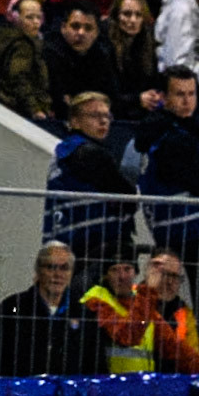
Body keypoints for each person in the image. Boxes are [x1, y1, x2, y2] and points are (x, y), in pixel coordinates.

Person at [134, 67, 199, 369]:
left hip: (178, 233)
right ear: (163, 97)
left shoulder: (170, 133)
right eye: (179, 94)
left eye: (191, 94)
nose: (186, 101)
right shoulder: (174, 139)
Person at [45, 92, 139, 277]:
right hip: (90, 246)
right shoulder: (86, 153)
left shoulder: (64, 151)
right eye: (95, 115)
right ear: (75, 121)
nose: (103, 121)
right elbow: (127, 195)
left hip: (69, 241)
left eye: (107, 116)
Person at [80, 248, 199, 374]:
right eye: (115, 270)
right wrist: (148, 290)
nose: (122, 276)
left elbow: (177, 350)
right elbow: (127, 335)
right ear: (105, 275)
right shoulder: (96, 299)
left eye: (127, 269)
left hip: (142, 388)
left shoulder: (144, 301)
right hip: (109, 388)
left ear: (135, 273)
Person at [0, 242, 101, 377]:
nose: (58, 274)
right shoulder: (13, 307)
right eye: (51, 267)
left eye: (64, 268)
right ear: (38, 271)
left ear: (71, 273)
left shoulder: (84, 315)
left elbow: (95, 368)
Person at [46, 4, 121, 119]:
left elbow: (112, 99)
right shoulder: (49, 55)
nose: (81, 33)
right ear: (63, 28)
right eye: (75, 26)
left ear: (96, 33)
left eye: (88, 28)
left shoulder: (103, 58)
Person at [106, 0, 165, 120]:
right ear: (116, 16)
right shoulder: (105, 48)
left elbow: (154, 82)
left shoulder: (147, 45)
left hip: (143, 113)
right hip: (115, 115)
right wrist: (138, 99)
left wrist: (155, 96)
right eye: (127, 14)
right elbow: (108, 95)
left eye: (138, 15)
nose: (133, 20)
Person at [0, 0, 52, 122]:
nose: (36, 22)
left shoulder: (7, 38)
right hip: (20, 110)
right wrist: (35, 109)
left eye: (39, 17)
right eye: (29, 17)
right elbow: (20, 79)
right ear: (14, 17)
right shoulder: (23, 45)